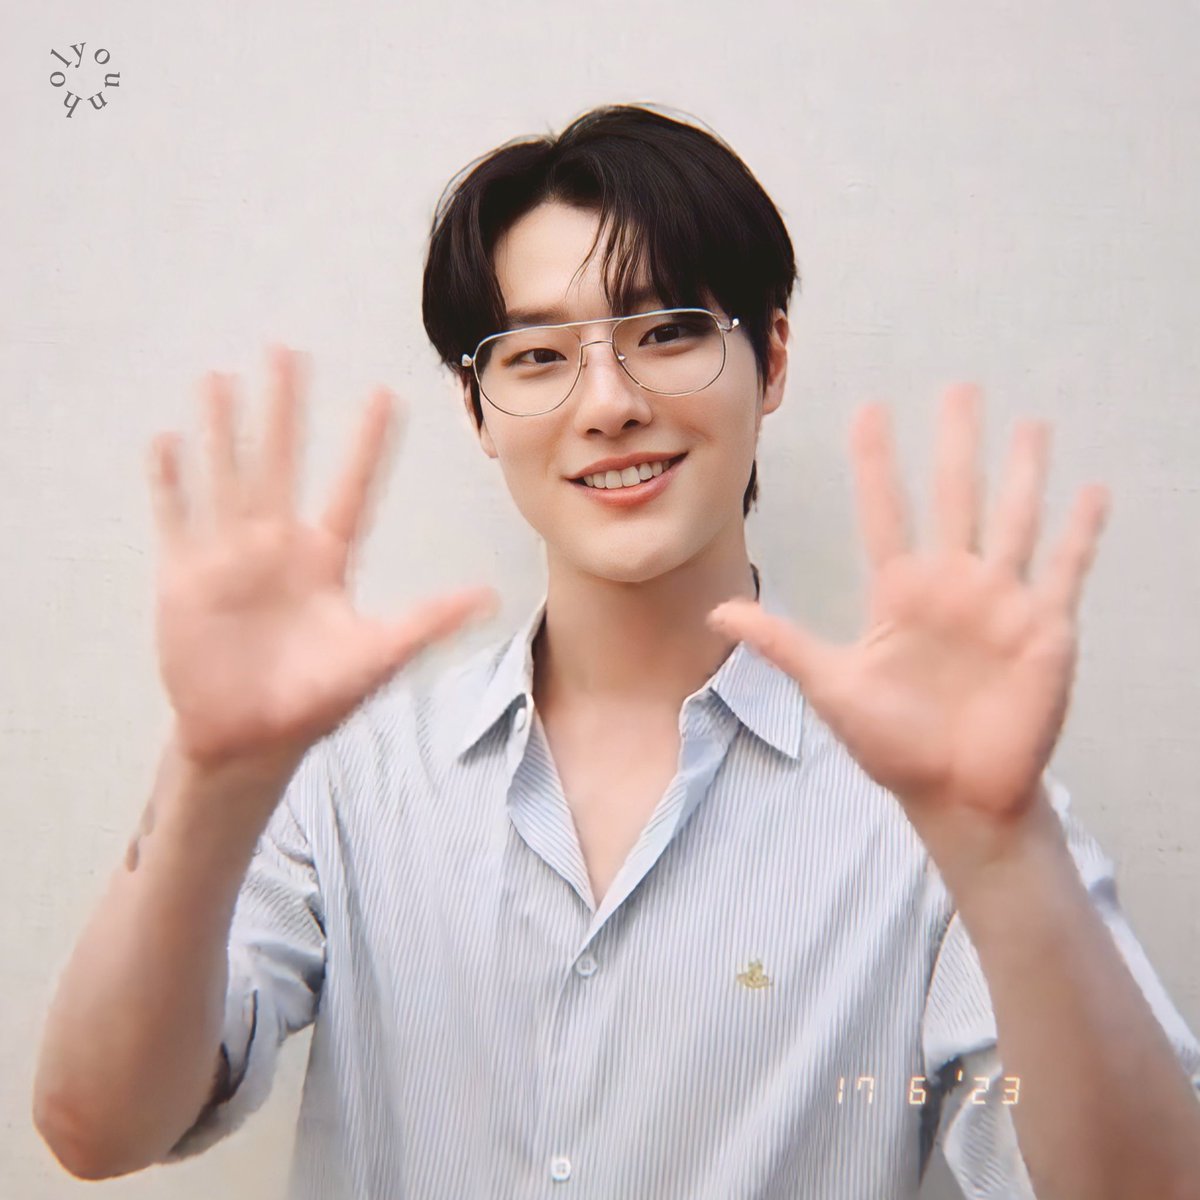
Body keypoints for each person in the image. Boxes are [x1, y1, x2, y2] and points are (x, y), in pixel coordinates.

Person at [32, 104, 1200, 1199]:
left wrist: (1002, 851)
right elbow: (98, 1128)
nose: (609, 403)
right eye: (538, 356)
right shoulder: (352, 772)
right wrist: (212, 776)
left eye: (669, 331)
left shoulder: (947, 795)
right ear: (476, 408)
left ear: (773, 353)